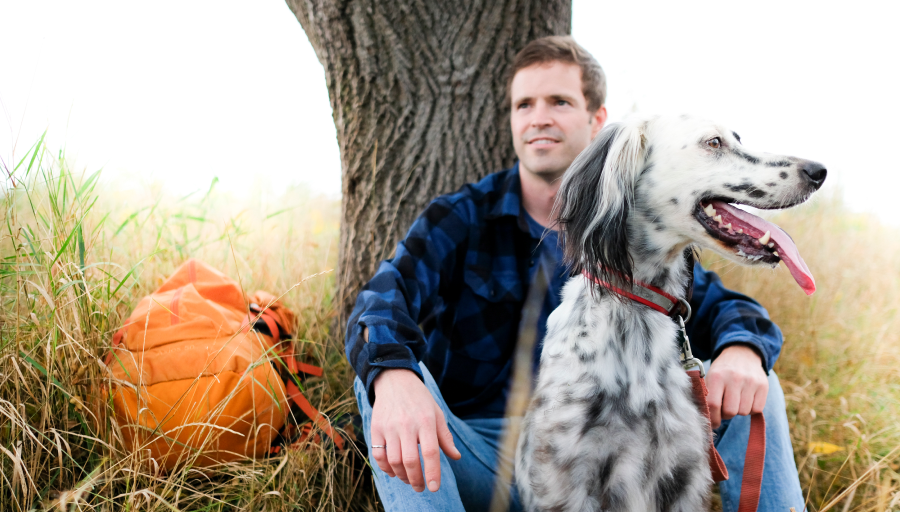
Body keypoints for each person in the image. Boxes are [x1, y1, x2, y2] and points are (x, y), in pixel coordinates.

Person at [344, 35, 805, 512]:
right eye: (524, 105)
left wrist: (744, 350)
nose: (538, 117)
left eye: (559, 101)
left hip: (606, 462)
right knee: (385, 373)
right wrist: (395, 379)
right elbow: (381, 299)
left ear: (596, 120)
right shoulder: (462, 217)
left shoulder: (635, 234)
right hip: (475, 458)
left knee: (757, 380)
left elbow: (730, 308)